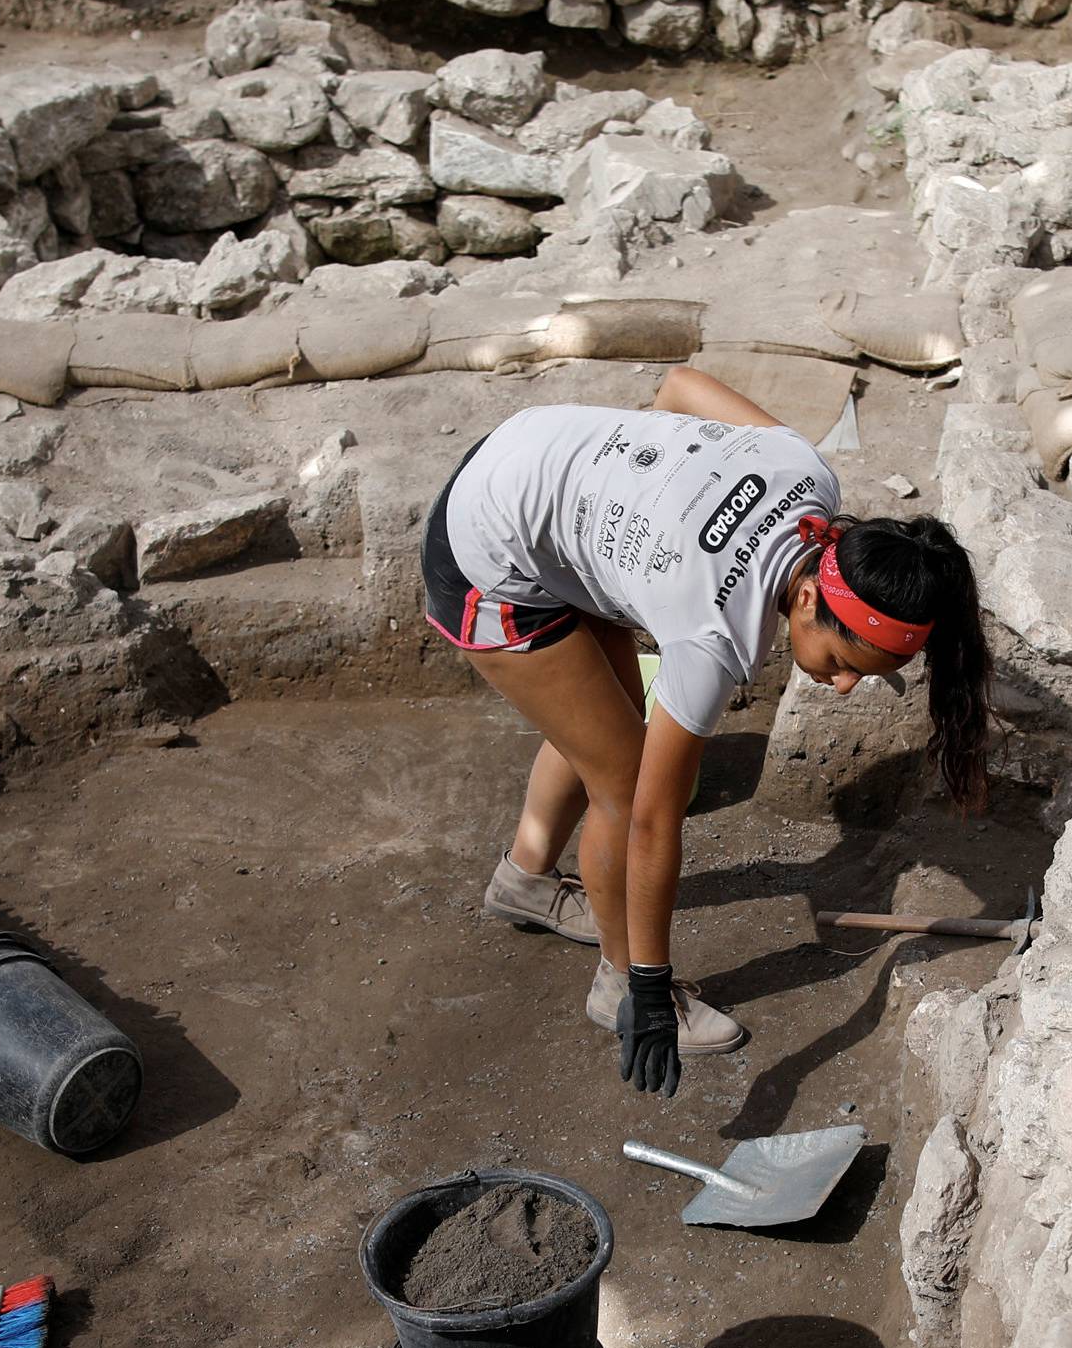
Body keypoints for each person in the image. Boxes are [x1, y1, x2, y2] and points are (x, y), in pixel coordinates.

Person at [420, 363, 991, 1100]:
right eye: (846, 661)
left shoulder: (806, 475)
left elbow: (677, 388)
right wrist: (653, 985)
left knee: (603, 735)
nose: (845, 685)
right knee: (625, 785)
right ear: (811, 593)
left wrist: (637, 501)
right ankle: (617, 984)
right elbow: (652, 822)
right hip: (485, 557)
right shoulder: (711, 634)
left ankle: (524, 881)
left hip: (529, 460)